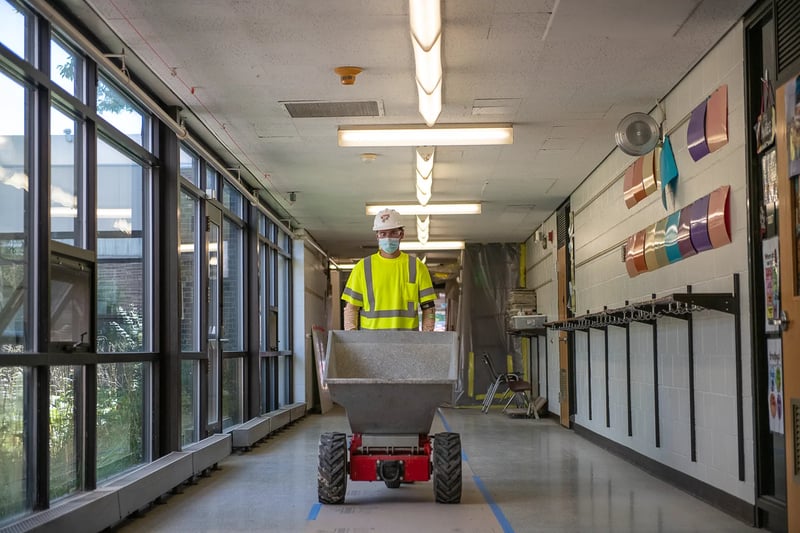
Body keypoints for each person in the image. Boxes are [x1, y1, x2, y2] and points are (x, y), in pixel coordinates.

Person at [342, 208, 436, 331]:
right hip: (370, 345)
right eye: (383, 234)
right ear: (377, 236)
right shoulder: (362, 267)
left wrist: (426, 340)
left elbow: (429, 308)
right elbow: (351, 309)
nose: (388, 238)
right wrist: (353, 341)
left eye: (393, 233)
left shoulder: (417, 267)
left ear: (401, 234)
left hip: (407, 344)